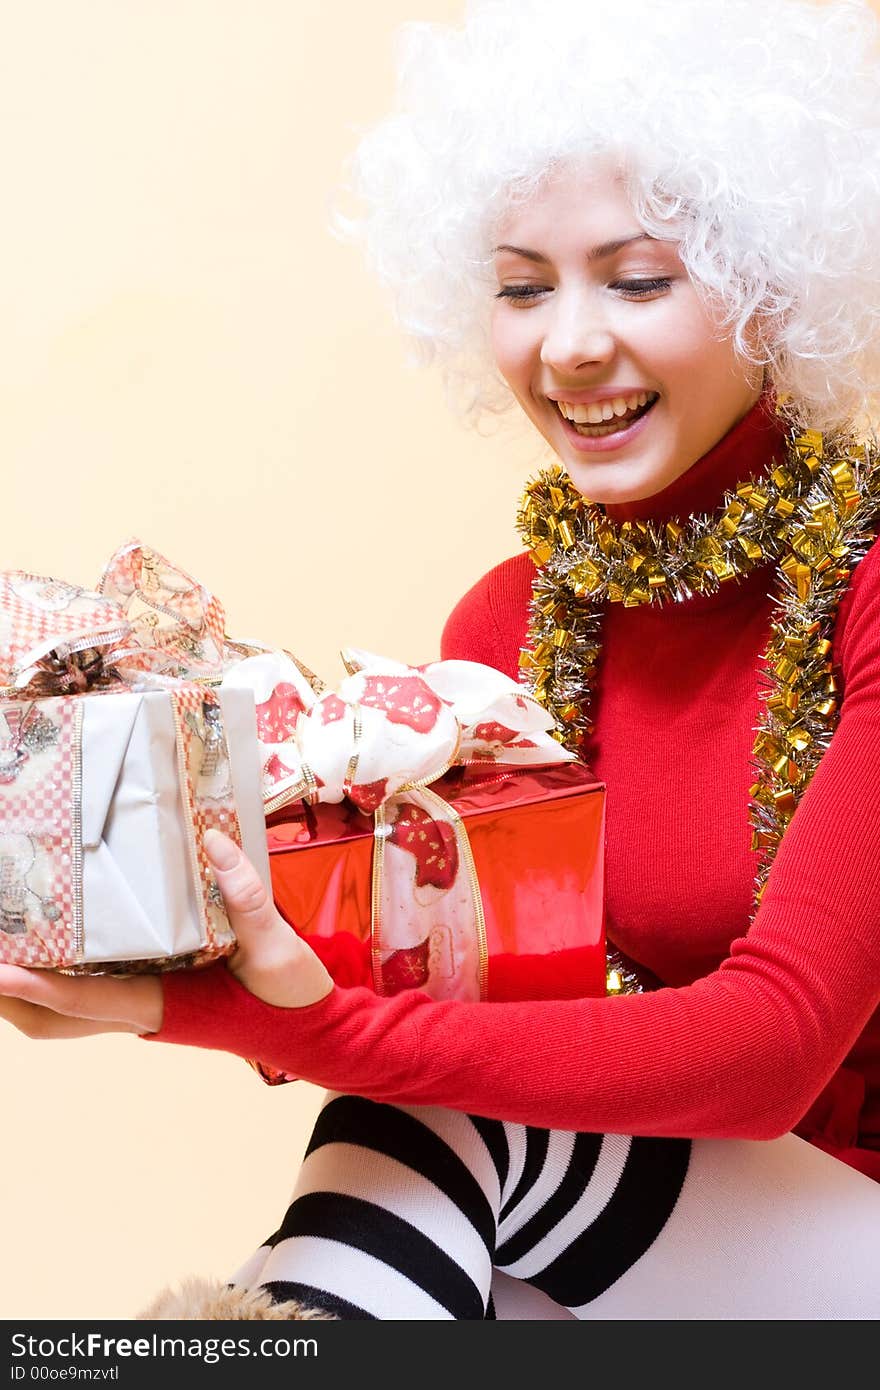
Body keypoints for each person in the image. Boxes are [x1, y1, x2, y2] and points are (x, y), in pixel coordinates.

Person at [3, 0, 880, 1320]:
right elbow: (467, 1016)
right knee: (459, 1258)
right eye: (523, 287)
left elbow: (770, 1051)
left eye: (638, 279)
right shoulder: (504, 630)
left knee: (453, 1128)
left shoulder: (866, 590)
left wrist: (289, 1027)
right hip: (661, 1242)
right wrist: (179, 945)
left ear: (772, 287)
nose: (570, 342)